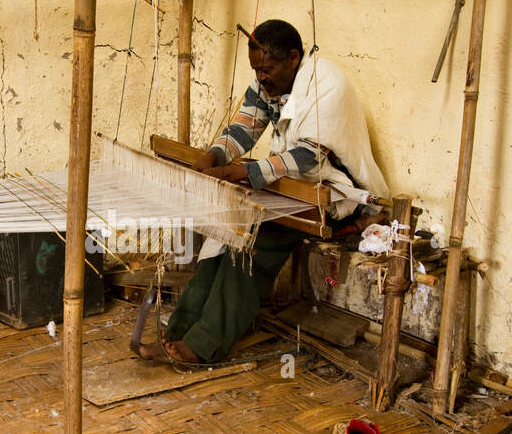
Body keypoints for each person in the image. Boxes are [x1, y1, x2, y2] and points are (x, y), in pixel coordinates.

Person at [138, 19, 390, 364]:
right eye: (256, 69)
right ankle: (178, 333)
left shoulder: (327, 85)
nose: (260, 77)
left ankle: (203, 345)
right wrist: (212, 156)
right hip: (293, 186)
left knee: (254, 238)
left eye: (266, 69)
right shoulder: (268, 81)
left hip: (336, 195)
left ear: (292, 58)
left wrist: (240, 172)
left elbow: (309, 155)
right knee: (225, 233)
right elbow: (243, 130)